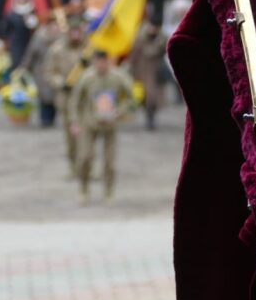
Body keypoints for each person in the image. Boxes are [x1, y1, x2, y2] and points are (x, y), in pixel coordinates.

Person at [68, 49, 133, 204]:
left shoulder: (118, 77)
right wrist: (75, 122)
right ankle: (84, 189)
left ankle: (108, 192)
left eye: (103, 62)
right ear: (93, 62)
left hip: (110, 124)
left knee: (110, 162)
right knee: (85, 158)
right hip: (90, 123)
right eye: (97, 62)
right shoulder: (86, 78)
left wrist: (120, 111)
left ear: (108, 62)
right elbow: (75, 101)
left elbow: (131, 98)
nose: (101, 65)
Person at [44, 19, 88, 177]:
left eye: (79, 32)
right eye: (73, 32)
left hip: (85, 98)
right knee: (71, 135)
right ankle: (72, 165)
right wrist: (61, 82)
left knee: (87, 134)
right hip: (66, 98)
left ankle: (86, 166)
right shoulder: (57, 50)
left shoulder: (88, 50)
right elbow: (49, 72)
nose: (76, 35)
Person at [19, 19, 61, 127]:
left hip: (55, 71)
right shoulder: (39, 38)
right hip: (40, 71)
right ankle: (45, 119)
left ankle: (52, 117)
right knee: (44, 97)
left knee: (54, 96)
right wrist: (24, 68)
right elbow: (30, 54)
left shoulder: (61, 39)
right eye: (53, 26)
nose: (55, 28)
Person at [129, 21, 169, 130]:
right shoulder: (140, 39)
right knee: (146, 98)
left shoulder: (162, 39)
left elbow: (167, 50)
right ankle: (149, 119)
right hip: (142, 73)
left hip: (156, 73)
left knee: (154, 99)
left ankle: (151, 117)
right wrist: (132, 70)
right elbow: (134, 55)